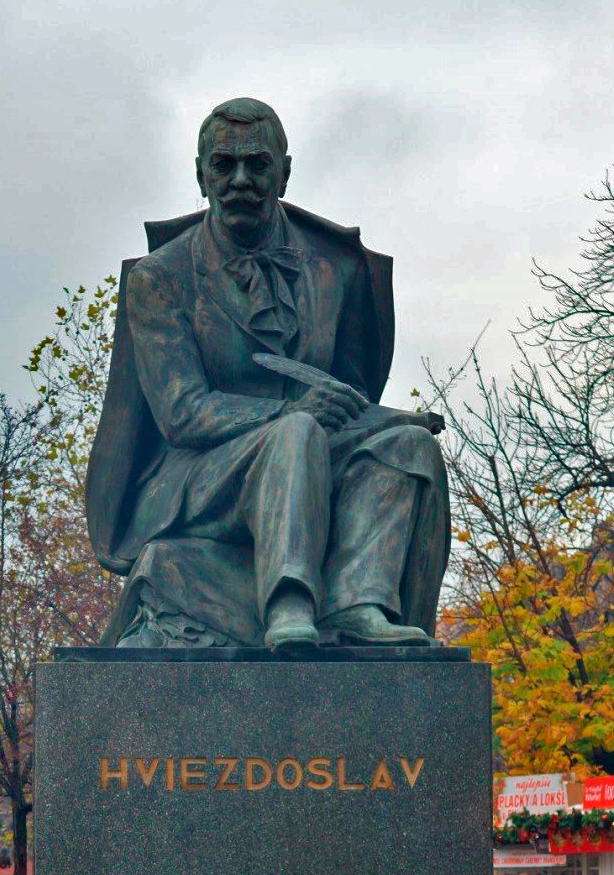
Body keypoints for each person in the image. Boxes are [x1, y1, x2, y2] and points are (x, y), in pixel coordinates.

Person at [87, 97, 450, 650]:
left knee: (408, 448)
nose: (240, 180)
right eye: (223, 165)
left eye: (257, 165)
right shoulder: (160, 278)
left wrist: (385, 422)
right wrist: (288, 414)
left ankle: (358, 601)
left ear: (284, 172)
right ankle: (288, 604)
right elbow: (182, 412)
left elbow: (346, 393)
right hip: (201, 476)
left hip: (311, 452)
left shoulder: (337, 271)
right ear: (200, 175)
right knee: (295, 431)